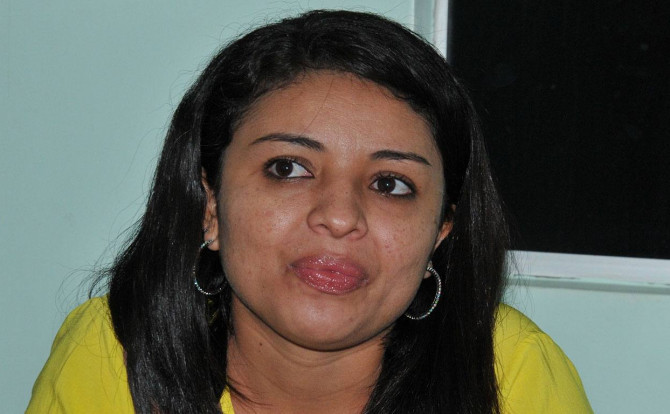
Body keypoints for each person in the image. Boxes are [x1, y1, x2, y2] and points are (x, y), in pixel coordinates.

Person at [27, 10, 592, 414]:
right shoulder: (115, 350)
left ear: (441, 231)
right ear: (211, 203)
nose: (340, 217)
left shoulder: (511, 376)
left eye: (390, 184)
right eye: (288, 168)